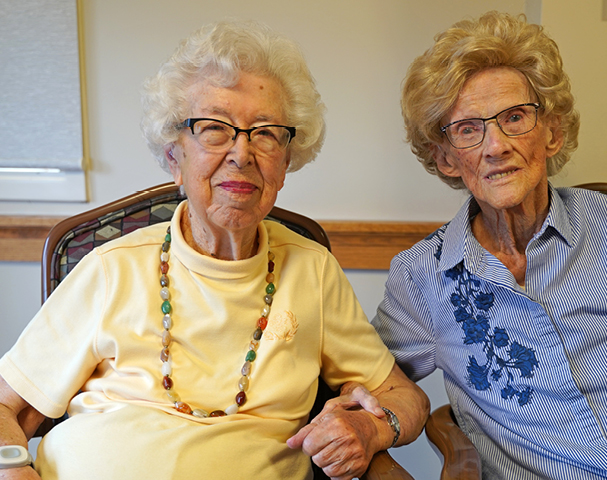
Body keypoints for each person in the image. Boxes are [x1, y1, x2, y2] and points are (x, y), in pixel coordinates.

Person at [0, 21, 429, 480]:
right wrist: (14, 469)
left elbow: (405, 396)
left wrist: (371, 427)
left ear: (286, 163)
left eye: (265, 133)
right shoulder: (110, 269)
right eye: (213, 128)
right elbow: (8, 406)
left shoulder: (312, 272)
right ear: (174, 157)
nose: (242, 154)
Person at [372, 11, 607, 479]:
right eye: (469, 129)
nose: (495, 146)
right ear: (446, 157)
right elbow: (366, 382)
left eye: (515, 117)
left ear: (552, 133)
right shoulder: (421, 278)